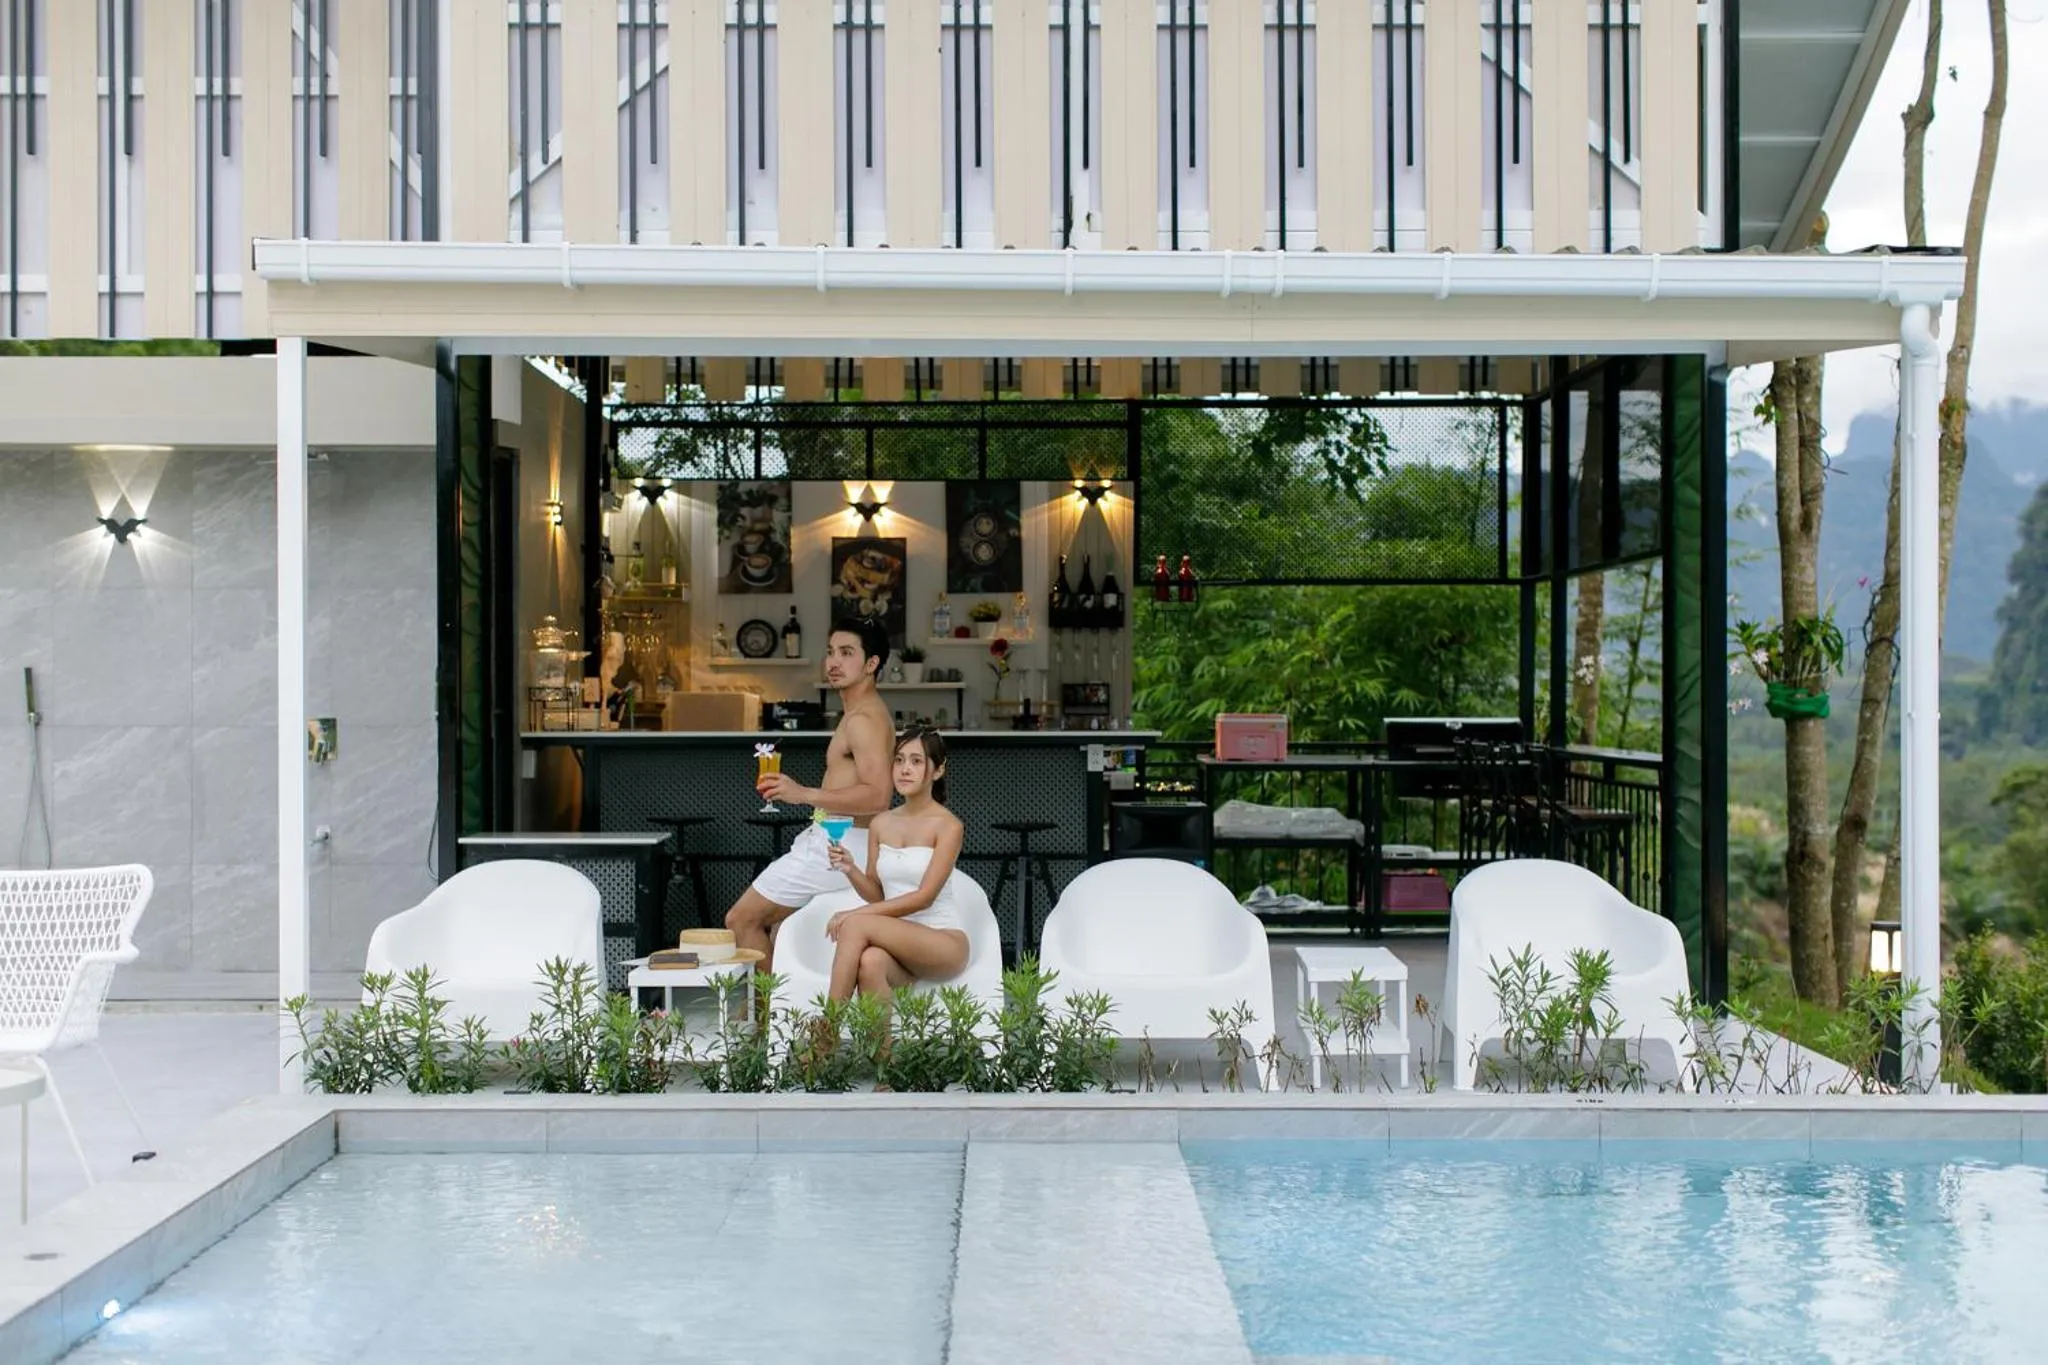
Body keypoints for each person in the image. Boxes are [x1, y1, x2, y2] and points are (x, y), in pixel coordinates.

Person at [723, 618, 896, 965]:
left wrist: (803, 794)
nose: (833, 662)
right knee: (781, 928)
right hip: (834, 839)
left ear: (871, 664)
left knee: (741, 919)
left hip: (842, 845)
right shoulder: (857, 714)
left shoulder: (864, 719)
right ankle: (786, 1012)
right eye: (831, 652)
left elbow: (878, 796)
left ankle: (769, 1018)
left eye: (847, 653)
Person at [823, 726, 971, 999]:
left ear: (937, 771)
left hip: (941, 941)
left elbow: (923, 898)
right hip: (897, 944)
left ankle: (825, 1035)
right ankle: (879, 1044)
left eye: (916, 761)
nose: (905, 769)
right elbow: (877, 896)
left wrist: (853, 916)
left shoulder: (948, 826)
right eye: (899, 760)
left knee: (855, 925)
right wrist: (850, 869)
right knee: (870, 963)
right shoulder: (881, 823)